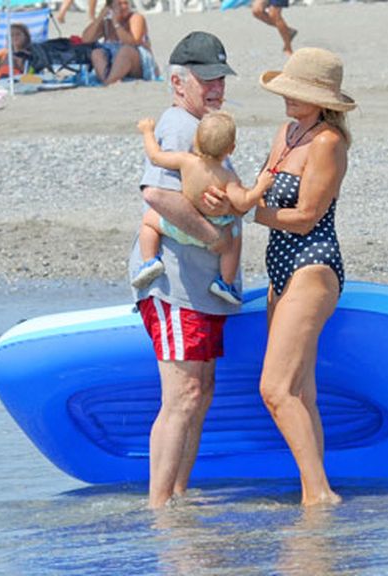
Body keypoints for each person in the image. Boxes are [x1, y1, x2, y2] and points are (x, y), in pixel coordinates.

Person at [129, 30, 238, 509]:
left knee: (200, 390)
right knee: (186, 394)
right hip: (175, 285)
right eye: (206, 80)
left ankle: (176, 497)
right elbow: (155, 195)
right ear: (178, 83)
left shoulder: (203, 124)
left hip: (198, 287)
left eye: (220, 78)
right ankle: (160, 510)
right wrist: (216, 237)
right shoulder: (177, 126)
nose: (216, 88)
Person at [245, 47, 356, 506]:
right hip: (280, 267)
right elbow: (263, 184)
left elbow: (307, 216)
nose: (288, 99)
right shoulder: (287, 133)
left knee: (274, 388)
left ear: (323, 99)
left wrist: (248, 211)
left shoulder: (329, 142)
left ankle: (318, 495)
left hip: (313, 264)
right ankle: (319, 491)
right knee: (299, 391)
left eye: (298, 92)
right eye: (286, 91)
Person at [133, 112, 273, 304]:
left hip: (183, 226)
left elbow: (156, 157)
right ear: (231, 148)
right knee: (234, 239)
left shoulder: (185, 160)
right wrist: (260, 186)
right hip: (218, 229)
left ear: (195, 140)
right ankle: (225, 282)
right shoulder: (227, 177)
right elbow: (243, 202)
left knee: (149, 222)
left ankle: (149, 261)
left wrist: (147, 131)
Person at [80, 0, 158, 85]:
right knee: (96, 53)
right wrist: (99, 18)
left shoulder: (136, 18)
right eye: (119, 4)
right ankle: (106, 79)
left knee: (125, 51)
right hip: (113, 63)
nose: (124, 7)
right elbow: (86, 39)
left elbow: (132, 42)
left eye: (126, 3)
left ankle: (109, 81)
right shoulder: (106, 22)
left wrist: (116, 24)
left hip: (136, 63)